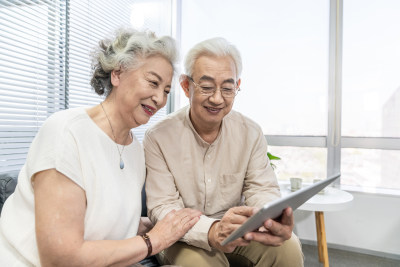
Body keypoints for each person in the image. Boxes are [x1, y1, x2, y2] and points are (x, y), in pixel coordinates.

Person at [0, 28, 201, 266]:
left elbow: (100, 222)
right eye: (153, 82)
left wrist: (157, 225)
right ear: (117, 74)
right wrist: (153, 240)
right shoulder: (66, 133)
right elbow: (60, 258)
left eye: (166, 90)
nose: (159, 98)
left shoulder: (135, 150)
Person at [143, 37, 304, 266]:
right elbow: (163, 207)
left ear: (237, 86)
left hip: (236, 230)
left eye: (227, 88)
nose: (217, 99)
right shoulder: (158, 137)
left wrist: (269, 218)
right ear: (186, 86)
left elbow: (262, 188)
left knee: (288, 249)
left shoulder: (250, 132)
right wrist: (210, 231)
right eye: (207, 87)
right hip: (181, 236)